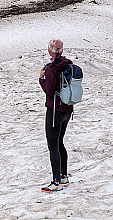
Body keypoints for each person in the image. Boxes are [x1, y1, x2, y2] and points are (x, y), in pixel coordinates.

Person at [38, 38, 74, 193]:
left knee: (53, 145)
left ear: (50, 50)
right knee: (60, 142)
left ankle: (56, 182)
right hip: (67, 109)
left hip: (54, 111)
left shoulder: (52, 68)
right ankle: (64, 177)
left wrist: (41, 79)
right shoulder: (68, 64)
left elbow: (49, 90)